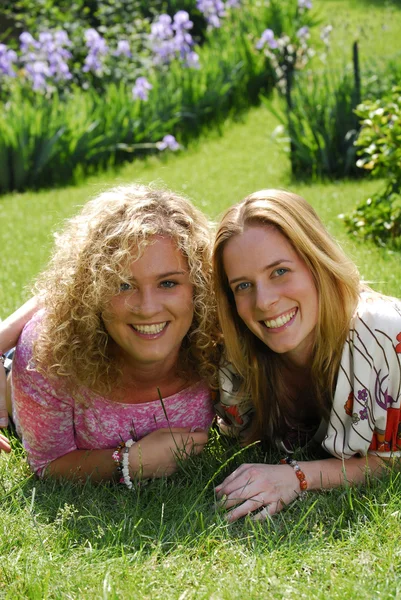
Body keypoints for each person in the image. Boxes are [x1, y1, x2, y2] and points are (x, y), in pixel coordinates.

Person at [0, 184, 219, 483]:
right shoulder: (47, 355)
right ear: (92, 292)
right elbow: (48, 463)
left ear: (199, 285)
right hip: (21, 371)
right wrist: (130, 462)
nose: (147, 307)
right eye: (123, 285)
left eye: (168, 283)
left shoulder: (218, 334)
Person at [213, 189, 401, 522]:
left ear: (317, 263)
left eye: (279, 271)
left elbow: (395, 460)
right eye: (243, 285)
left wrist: (298, 476)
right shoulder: (239, 357)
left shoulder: (385, 335)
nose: (263, 302)